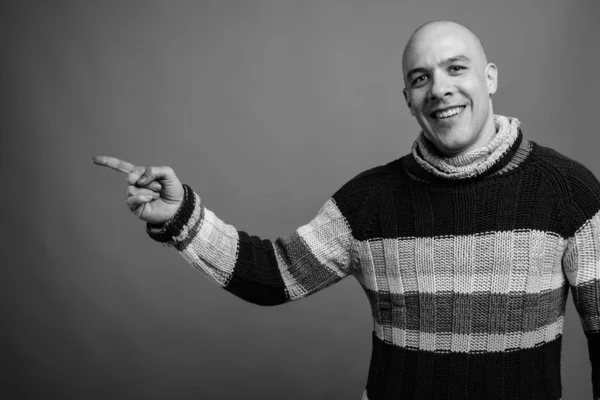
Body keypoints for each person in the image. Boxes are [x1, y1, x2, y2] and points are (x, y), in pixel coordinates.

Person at [93, 20, 599, 400]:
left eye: (456, 68)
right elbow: (275, 274)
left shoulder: (569, 191)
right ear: (408, 98)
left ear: (489, 77)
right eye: (421, 78)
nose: (439, 88)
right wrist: (182, 217)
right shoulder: (370, 201)